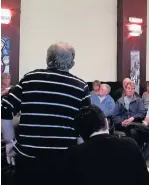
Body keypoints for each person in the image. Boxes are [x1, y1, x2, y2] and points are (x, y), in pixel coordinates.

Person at [1, 43, 91, 185]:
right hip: (64, 159)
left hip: (28, 158)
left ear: (47, 59)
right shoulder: (80, 87)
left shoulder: (30, 79)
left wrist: (9, 141)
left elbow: (5, 107)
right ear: (72, 64)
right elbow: (86, 122)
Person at [61, 105, 149, 185]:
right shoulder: (129, 145)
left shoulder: (73, 154)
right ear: (106, 122)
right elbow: (146, 181)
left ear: (80, 133)